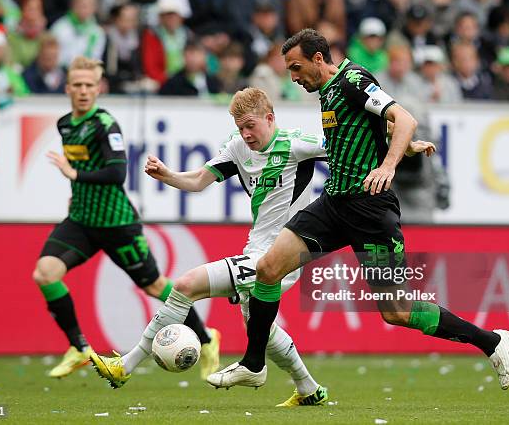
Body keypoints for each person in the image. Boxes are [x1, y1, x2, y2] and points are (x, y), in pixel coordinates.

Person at [208, 29, 509, 392]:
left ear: (318, 59)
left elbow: (404, 118)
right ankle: (254, 363)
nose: (292, 77)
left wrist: (388, 164)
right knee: (268, 267)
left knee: (397, 311)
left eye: (296, 67)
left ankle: (493, 342)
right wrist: (398, 144)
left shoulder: (353, 80)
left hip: (370, 210)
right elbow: (371, 125)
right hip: (335, 204)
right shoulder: (328, 91)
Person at [89, 87, 436, 405]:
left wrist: (404, 145)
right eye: (240, 128)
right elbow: (198, 180)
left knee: (184, 286)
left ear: (270, 118)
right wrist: (168, 175)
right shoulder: (238, 147)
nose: (246, 134)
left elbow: (352, 145)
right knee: (263, 330)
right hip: (255, 248)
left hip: (282, 254)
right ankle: (308, 388)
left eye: (251, 126)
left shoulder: (297, 143)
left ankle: (127, 364)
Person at [33, 56, 219, 380]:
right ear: (67, 88)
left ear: (99, 89)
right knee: (45, 274)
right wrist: (75, 190)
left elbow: (117, 172)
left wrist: (72, 172)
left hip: (117, 223)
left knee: (155, 286)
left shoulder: (105, 125)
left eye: (89, 85)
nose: (82, 91)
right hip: (81, 220)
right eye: (77, 85)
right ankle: (79, 348)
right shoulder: (65, 124)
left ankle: (206, 339)